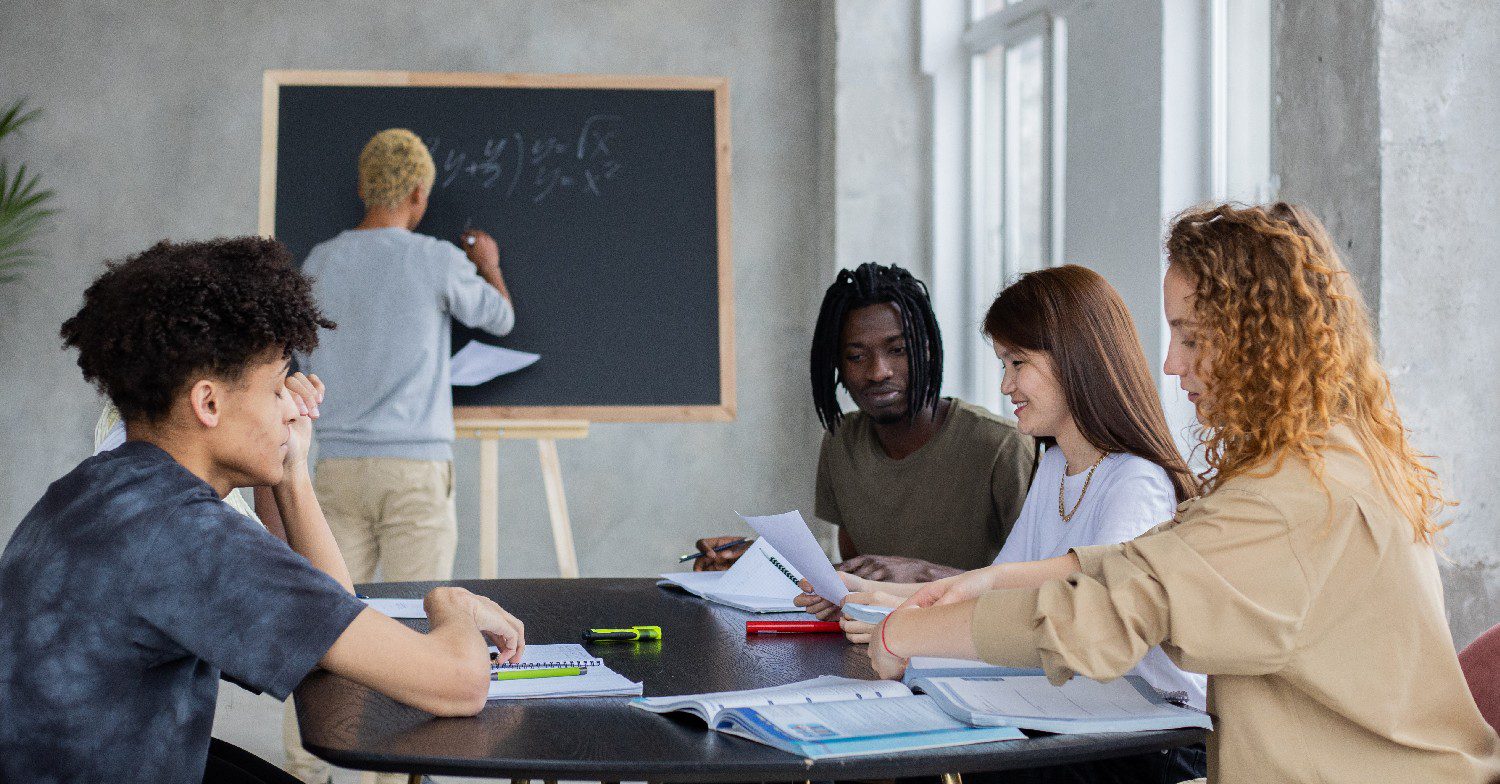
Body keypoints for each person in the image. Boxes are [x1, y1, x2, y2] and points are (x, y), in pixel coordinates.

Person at [864, 204, 1500, 782]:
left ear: (1263, 341)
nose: (1170, 363)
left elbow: (1108, 616)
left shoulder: (1296, 497)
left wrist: (903, 637)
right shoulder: (1325, 457)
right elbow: (1163, 554)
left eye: (1192, 337)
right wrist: (989, 583)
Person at [0, 237, 526, 783]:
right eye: (276, 387)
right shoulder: (187, 537)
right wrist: (451, 603)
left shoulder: (94, 493)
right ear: (208, 403)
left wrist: (292, 472)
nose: (292, 407)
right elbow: (456, 684)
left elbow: (326, 617)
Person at [800, 265, 1208, 782]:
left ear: (1075, 362)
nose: (1005, 384)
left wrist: (907, 628)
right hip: (1085, 720)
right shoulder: (1058, 464)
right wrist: (870, 594)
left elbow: (1084, 632)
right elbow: (997, 596)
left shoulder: (1135, 481)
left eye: (1018, 362)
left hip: (1149, 742)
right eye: (1003, 363)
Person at [693, 263, 1036, 581]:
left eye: (898, 350)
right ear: (837, 366)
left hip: (972, 643)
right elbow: (857, 577)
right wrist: (764, 562)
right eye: (856, 356)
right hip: (871, 639)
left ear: (928, 350)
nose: (878, 372)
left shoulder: (1003, 445)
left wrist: (924, 575)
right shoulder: (842, 441)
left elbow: (1043, 585)